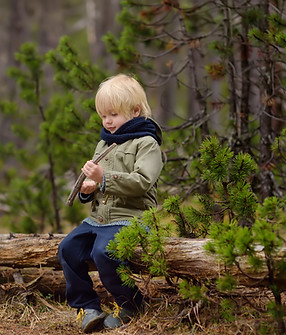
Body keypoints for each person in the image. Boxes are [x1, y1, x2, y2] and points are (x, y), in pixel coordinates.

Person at [58, 73, 163, 333]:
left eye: (113, 114)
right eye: (103, 115)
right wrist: (88, 189)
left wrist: (104, 178)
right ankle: (87, 306)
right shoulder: (105, 142)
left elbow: (143, 182)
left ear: (135, 110)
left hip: (132, 217)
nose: (107, 121)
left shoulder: (147, 143)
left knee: (104, 252)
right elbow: (98, 186)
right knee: (68, 248)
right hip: (99, 219)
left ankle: (130, 304)